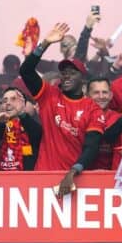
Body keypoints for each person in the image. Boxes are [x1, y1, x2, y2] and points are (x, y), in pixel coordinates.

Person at [19, 22, 105, 196]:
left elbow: (92, 146)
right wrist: (45, 43)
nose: (66, 75)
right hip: (43, 176)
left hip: (74, 181)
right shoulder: (49, 96)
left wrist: (73, 173)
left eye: (72, 72)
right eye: (64, 72)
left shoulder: (92, 109)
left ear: (83, 79)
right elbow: (26, 71)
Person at [0, 87, 42, 171]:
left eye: (13, 99)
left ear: (23, 104)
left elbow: (36, 135)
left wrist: (22, 114)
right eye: (5, 100)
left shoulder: (30, 122)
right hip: (1, 178)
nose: (8, 103)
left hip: (25, 178)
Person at [86, 77, 119, 170]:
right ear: (87, 96)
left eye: (104, 92)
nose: (101, 96)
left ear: (111, 95)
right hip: (83, 175)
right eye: (96, 93)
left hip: (112, 176)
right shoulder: (79, 116)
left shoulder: (119, 119)